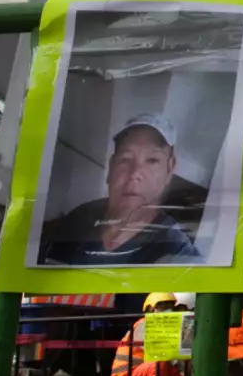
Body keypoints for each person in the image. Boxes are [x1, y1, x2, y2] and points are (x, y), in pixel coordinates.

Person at [39, 114, 202, 266]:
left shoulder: (176, 252)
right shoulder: (83, 215)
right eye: (126, 159)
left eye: (152, 160)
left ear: (169, 169)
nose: (135, 173)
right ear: (111, 168)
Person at [113, 293, 185, 376]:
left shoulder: (166, 328)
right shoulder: (143, 325)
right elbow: (160, 351)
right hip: (125, 375)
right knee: (159, 361)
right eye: (163, 307)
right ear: (149, 310)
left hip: (140, 372)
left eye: (171, 307)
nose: (168, 311)